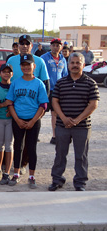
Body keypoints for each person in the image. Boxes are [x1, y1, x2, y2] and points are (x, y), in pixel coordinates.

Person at [49, 52, 100, 192]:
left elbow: (93, 104)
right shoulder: (61, 83)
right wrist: (64, 118)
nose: (75, 65)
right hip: (62, 125)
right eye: (72, 63)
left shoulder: (91, 83)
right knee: (60, 154)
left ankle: (80, 182)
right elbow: (55, 101)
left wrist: (77, 120)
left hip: (82, 127)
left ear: (84, 65)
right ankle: (57, 179)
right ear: (68, 64)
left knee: (81, 155)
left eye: (78, 63)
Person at [6, 35, 50, 176]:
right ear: (18, 45)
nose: (24, 46)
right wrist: (9, 107)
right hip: (16, 108)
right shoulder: (11, 60)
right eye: (21, 43)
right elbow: (7, 81)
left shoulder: (39, 61)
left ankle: (26, 166)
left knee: (30, 144)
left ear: (32, 46)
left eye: (27, 43)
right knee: (16, 143)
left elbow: (45, 85)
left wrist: (41, 111)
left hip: (34, 109)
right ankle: (15, 170)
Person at [41, 38, 68, 145]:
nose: (56, 47)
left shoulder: (63, 59)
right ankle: (33, 132)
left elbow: (65, 74)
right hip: (47, 89)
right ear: (50, 46)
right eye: (54, 45)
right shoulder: (44, 58)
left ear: (61, 47)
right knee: (41, 111)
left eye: (58, 45)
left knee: (55, 113)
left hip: (58, 90)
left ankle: (55, 136)